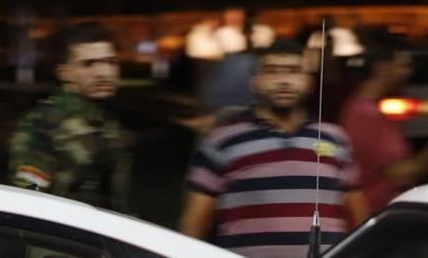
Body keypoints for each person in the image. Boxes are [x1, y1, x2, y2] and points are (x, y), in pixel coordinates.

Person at [180, 40, 368, 257]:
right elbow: (193, 229)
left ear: (309, 82)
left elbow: (359, 221)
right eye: (271, 71)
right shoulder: (222, 141)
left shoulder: (335, 139)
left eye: (294, 71)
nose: (283, 81)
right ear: (254, 82)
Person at [6, 23, 130, 213]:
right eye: (89, 64)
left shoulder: (106, 120)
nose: (104, 73)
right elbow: (27, 201)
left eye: (110, 62)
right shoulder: (45, 123)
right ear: (64, 73)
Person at [338, 31, 428, 210]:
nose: (407, 73)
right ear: (383, 68)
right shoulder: (365, 115)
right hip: (374, 219)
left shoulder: (368, 110)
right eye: (403, 66)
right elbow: (403, 175)